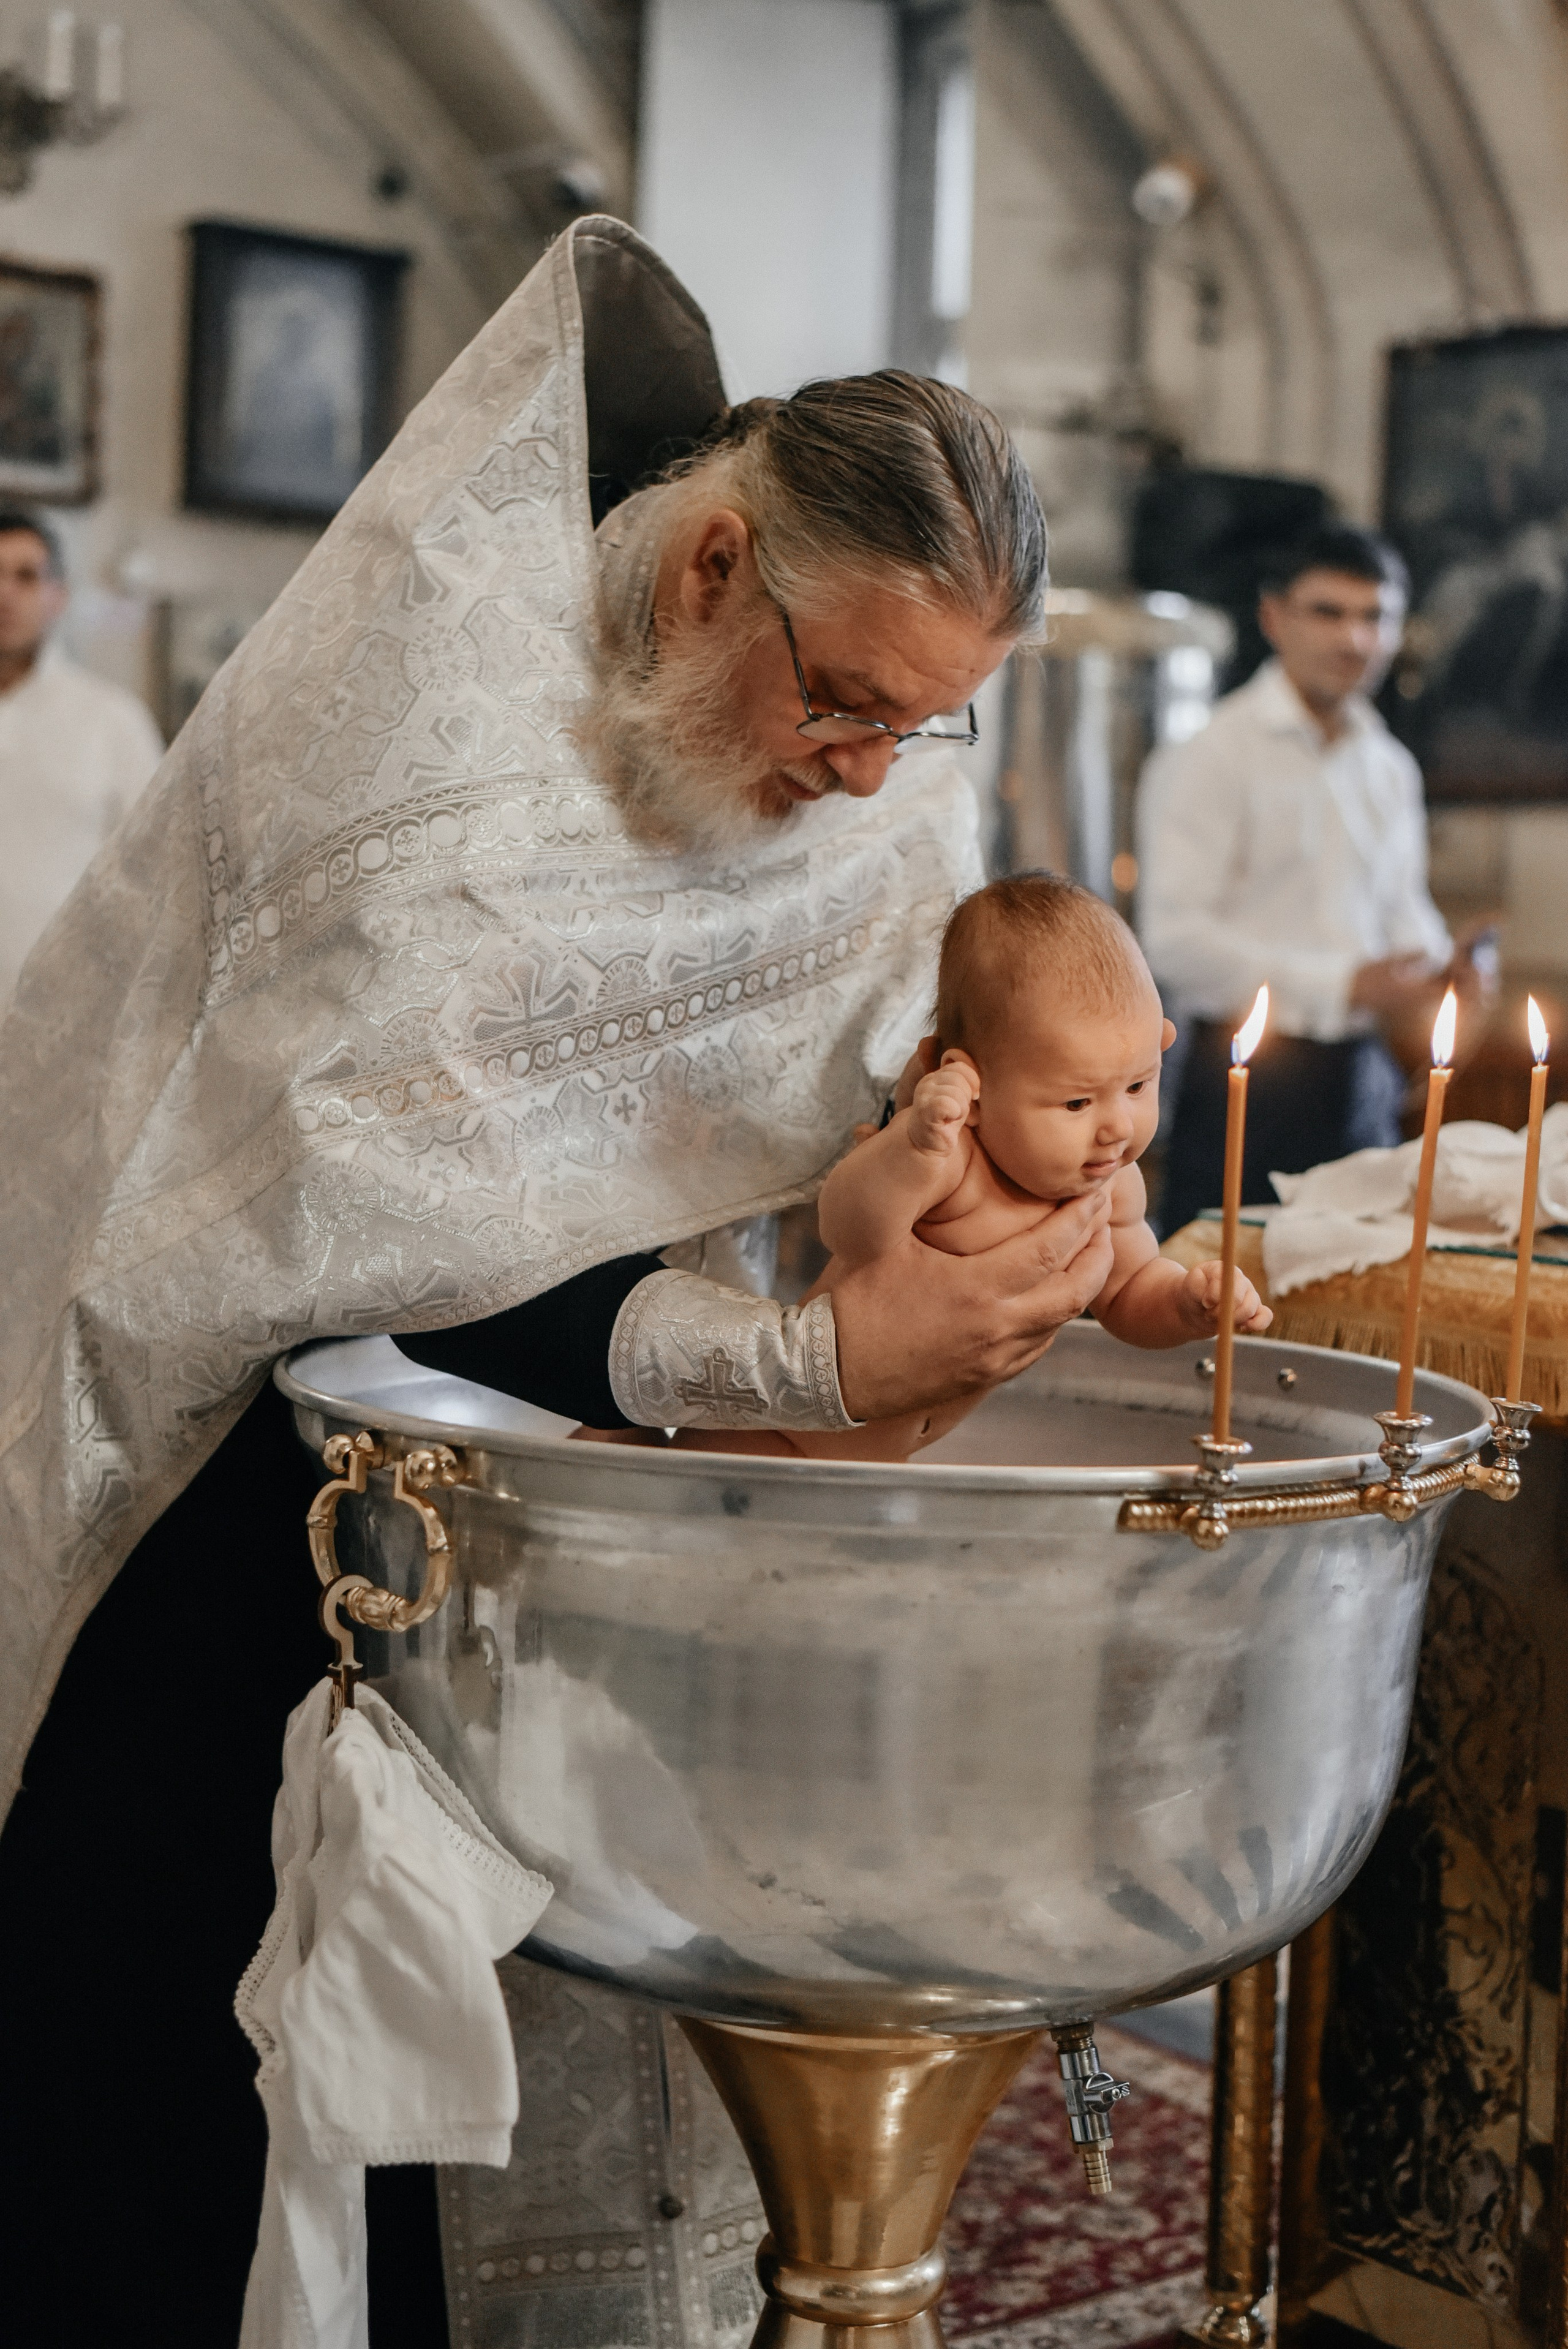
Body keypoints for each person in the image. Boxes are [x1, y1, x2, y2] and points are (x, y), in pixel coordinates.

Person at [0, 219, 1115, 2348]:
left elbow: (924, 1061)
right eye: (853, 705)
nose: (870, 776)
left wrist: (999, 1217)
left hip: (601, 1547)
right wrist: (794, 1356)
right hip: (257, 1523)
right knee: (178, 2097)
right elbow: (331, 1245)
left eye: (932, 729)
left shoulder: (879, 798)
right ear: (714, 571)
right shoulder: (422, 729)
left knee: (511, 2125)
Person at [626, 875, 1270, 1464]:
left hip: (881, 1463)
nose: (1115, 1126)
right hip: (778, 1436)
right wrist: (912, 1146)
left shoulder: (1110, 1187)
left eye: (1136, 1086)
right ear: (974, 1087)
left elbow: (1129, 1299)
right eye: (1076, 1101)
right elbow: (848, 1229)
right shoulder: (953, 1158)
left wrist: (1187, 1305)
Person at [1138, 523, 1483, 1240]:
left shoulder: (1390, 768)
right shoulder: (1210, 755)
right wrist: (1346, 985)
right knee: (1221, 1317)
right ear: (1273, 617)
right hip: (1247, 1079)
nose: (1355, 639)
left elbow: (1400, 918)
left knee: (1356, 1316)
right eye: (1329, 612)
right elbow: (1171, 942)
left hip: (1367, 1083)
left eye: (1375, 616)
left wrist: (1445, 968)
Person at [0, 502, 164, 1003]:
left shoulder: (115, 723)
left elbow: (154, 879)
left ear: (58, 596)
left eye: (25, 576)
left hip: (61, 1020)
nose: (4, 592)